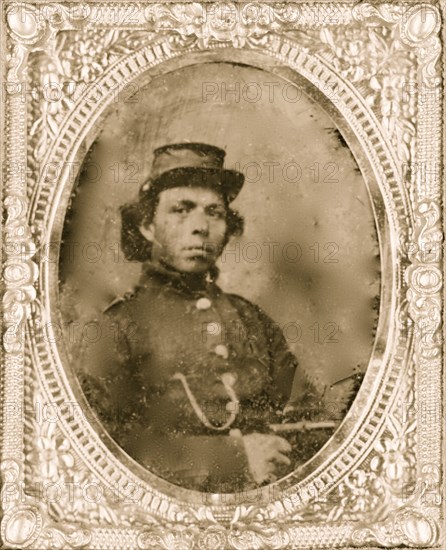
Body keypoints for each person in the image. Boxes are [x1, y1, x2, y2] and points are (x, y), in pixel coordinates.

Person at [76, 143, 320, 492]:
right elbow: (99, 452)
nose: (200, 227)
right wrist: (232, 458)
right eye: (181, 209)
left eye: (214, 212)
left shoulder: (251, 320)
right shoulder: (115, 327)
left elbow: (307, 417)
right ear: (147, 225)